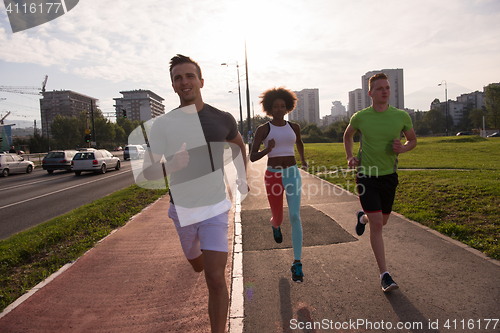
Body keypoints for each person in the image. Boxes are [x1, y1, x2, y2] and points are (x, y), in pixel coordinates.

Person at [143, 54, 247, 333]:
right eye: (178, 78)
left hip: (215, 207)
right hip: (183, 211)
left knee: (215, 279)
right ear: (173, 87)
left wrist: (242, 177)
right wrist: (170, 165)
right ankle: (196, 254)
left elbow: (239, 146)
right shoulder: (163, 125)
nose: (184, 81)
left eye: (189, 76)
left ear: (201, 81)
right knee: (197, 266)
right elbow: (148, 171)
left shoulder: (222, 119)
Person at [343, 73, 417, 292]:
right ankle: (385, 275)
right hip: (366, 174)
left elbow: (412, 139)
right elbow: (348, 136)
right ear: (370, 93)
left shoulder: (401, 116)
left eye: (387, 88)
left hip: (388, 176)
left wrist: (403, 147)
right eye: (379, 88)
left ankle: (362, 217)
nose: (384, 91)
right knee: (378, 224)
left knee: (381, 221)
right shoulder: (360, 117)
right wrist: (349, 157)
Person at [250, 87, 308, 283]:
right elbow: (252, 156)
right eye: (275, 106)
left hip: (292, 174)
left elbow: (299, 142)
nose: (279, 109)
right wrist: (268, 149)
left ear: (287, 107)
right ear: (269, 108)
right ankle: (274, 225)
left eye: (283, 106)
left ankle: (297, 263)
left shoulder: (294, 127)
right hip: (273, 176)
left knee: (294, 216)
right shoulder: (263, 129)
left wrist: (303, 160)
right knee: (279, 217)